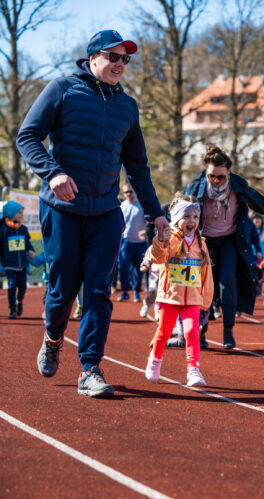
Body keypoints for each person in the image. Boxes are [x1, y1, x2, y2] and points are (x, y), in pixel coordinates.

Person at [16, 29, 170, 398]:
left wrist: (156, 214)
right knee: (62, 290)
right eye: (113, 57)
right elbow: (27, 136)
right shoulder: (63, 88)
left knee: (99, 290)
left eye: (125, 59)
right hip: (64, 210)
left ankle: (90, 369)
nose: (120, 64)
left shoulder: (127, 106)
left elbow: (137, 166)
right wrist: (53, 173)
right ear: (93, 58)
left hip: (105, 212)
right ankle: (53, 339)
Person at [184, 145, 264, 349]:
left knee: (228, 283)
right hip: (204, 242)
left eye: (220, 176)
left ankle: (228, 331)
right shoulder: (196, 187)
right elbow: (180, 208)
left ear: (229, 171)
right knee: (202, 286)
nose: (215, 181)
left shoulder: (238, 184)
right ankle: (202, 332)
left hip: (230, 240)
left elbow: (255, 197)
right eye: (211, 176)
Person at [145, 195, 214, 387]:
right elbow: (156, 258)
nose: (191, 221)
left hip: (192, 299)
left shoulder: (201, 244)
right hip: (170, 298)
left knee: (192, 330)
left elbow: (206, 273)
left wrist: (206, 299)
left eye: (195, 216)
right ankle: (155, 360)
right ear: (176, 219)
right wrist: (160, 240)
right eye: (186, 216)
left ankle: (193, 370)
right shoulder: (172, 240)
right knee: (164, 332)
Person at [0, 201, 35, 319]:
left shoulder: (23, 229)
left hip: (22, 265)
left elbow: (27, 244)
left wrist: (30, 250)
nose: (22, 215)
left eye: (22, 212)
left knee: (23, 287)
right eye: (19, 212)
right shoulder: (3, 229)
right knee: (12, 285)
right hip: (9, 264)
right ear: (11, 213)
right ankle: (12, 310)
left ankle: (19, 301)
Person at [117, 186, 147, 302]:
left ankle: (137, 292)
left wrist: (145, 231)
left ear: (134, 191)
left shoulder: (141, 206)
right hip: (126, 242)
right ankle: (124, 292)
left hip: (140, 243)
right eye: (126, 192)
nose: (128, 194)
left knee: (138, 270)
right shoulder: (122, 206)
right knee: (123, 267)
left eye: (130, 191)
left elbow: (148, 223)